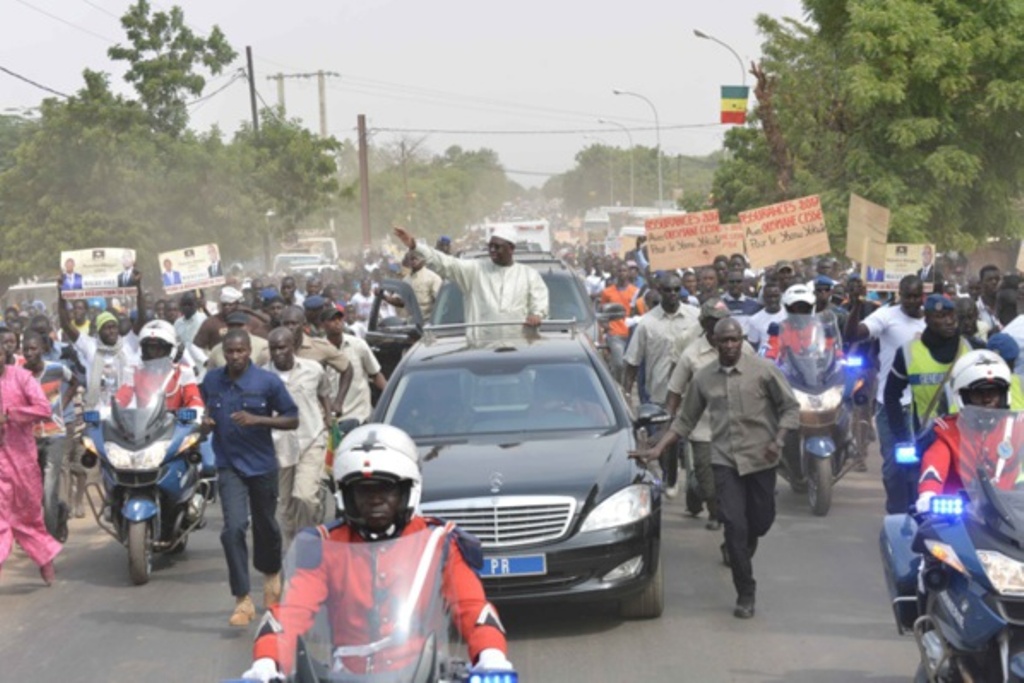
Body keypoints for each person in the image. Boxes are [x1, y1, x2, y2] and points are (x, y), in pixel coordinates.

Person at [240, 424, 511, 682]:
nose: (375, 499)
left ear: (408, 491)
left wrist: (491, 655)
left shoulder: (438, 542)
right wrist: (265, 662)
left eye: (387, 488)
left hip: (425, 673)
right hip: (344, 676)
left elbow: (472, 608)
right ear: (347, 496)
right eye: (363, 490)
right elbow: (292, 612)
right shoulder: (324, 545)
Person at [631, 318, 800, 619]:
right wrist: (658, 448)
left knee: (759, 523)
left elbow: (789, 407)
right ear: (714, 342)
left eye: (735, 340)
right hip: (725, 460)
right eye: (724, 341)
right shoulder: (704, 378)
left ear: (742, 340)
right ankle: (745, 592)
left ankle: (742, 549)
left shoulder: (763, 371)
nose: (730, 346)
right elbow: (685, 420)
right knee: (734, 525)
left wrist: (779, 438)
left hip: (762, 458)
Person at [200, 329, 299, 626]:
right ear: (223, 353)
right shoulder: (212, 381)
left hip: (262, 465)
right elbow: (204, 414)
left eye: (240, 351)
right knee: (233, 528)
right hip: (229, 465)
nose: (235, 357)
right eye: (230, 352)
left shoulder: (267, 382)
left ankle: (271, 576)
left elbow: (292, 417)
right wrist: (204, 425)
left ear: (249, 352)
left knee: (266, 525)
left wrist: (259, 419)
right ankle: (242, 599)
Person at [882, 294, 971, 514]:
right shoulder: (909, 352)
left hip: (964, 437)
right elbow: (891, 394)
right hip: (925, 437)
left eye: (951, 315)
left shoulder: (971, 349)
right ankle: (898, 519)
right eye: (941, 316)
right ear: (928, 319)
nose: (949, 321)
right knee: (896, 475)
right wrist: (901, 437)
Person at [665, 298, 745, 530]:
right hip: (703, 428)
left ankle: (724, 518)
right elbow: (675, 390)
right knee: (708, 484)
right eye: (715, 321)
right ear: (704, 323)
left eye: (725, 319)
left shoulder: (743, 348)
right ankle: (701, 493)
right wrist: (669, 422)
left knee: (737, 483)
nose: (722, 325)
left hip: (738, 426)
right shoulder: (691, 353)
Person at [847, 275, 925, 504]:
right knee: (893, 466)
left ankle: (917, 508)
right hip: (889, 404)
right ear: (899, 294)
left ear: (922, 296)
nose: (911, 301)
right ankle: (896, 511)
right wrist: (857, 306)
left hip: (921, 406)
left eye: (916, 296)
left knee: (919, 463)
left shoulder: (932, 319)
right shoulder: (886, 316)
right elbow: (854, 334)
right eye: (907, 296)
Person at [622, 273, 700, 497]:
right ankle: (671, 477)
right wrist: (626, 393)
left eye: (677, 290)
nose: (673, 294)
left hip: (693, 390)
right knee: (668, 440)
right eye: (668, 290)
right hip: (661, 393)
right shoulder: (647, 323)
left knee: (697, 439)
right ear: (659, 291)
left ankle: (696, 486)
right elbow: (632, 362)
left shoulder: (696, 317)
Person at [394, 226, 549, 337]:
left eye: (498, 247)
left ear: (511, 248)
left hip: (520, 352)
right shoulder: (475, 271)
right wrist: (414, 246)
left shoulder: (528, 275)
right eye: (490, 246)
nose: (492, 250)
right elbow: (445, 262)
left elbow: (540, 301)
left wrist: (536, 315)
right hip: (479, 353)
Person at [916, 350, 1019, 509]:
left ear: (1004, 395)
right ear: (963, 397)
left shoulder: (1018, 427)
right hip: (966, 516)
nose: (987, 400)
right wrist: (928, 495)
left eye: (993, 392)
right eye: (979, 393)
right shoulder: (947, 431)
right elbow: (934, 466)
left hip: (1014, 515)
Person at [263, 328, 331, 545]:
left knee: (305, 496)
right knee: (286, 506)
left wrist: (329, 416)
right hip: (280, 446)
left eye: (282, 347)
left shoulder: (313, 369)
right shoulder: (263, 376)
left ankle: (309, 539)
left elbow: (323, 392)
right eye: (273, 348)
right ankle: (294, 550)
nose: (278, 352)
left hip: (311, 439)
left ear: (292, 346)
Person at [0, 352, 62, 585]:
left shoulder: (22, 378)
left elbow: (44, 409)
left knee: (29, 518)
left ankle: (45, 563)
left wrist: (11, 415)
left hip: (22, 460)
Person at [20, 332, 78, 538]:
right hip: (30, 438)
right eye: (26, 349)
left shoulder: (56, 369)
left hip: (55, 434)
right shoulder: (20, 374)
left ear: (43, 349)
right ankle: (60, 511)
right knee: (35, 490)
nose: (29, 353)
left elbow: (75, 382)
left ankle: (49, 539)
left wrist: (62, 404)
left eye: (33, 349)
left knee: (49, 486)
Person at [57, 280, 140, 411]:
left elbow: (141, 320)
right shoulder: (90, 346)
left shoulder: (127, 344)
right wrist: (61, 293)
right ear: (99, 331)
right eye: (107, 328)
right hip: (98, 414)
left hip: (126, 412)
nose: (112, 331)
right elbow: (66, 325)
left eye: (114, 327)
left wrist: (138, 286)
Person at [115, 320, 204, 412]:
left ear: (169, 350)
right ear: (144, 349)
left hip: (173, 424)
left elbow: (193, 398)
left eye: (160, 348)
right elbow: (123, 395)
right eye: (151, 348)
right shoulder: (134, 372)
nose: (155, 352)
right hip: (142, 424)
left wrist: (196, 410)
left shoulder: (183, 372)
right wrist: (112, 409)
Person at [279, 306, 353, 416]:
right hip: (283, 415)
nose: (290, 327)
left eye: (294, 324)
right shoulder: (272, 350)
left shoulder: (319, 347)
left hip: (315, 415)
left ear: (304, 325)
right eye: (286, 324)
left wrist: (338, 402)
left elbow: (347, 368)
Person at [321, 306, 387, 424]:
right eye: (332, 319)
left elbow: (376, 374)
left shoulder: (358, 345)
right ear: (323, 325)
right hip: (332, 420)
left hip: (361, 417)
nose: (337, 322)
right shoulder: (318, 349)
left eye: (339, 319)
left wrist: (392, 397)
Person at [600, 263, 640, 382]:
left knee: (629, 365)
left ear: (628, 273)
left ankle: (625, 388)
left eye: (624, 271)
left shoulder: (635, 291)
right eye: (619, 271)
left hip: (631, 334)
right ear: (616, 273)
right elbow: (602, 312)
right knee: (619, 364)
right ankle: (617, 386)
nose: (622, 273)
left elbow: (638, 311)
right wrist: (606, 328)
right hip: (615, 333)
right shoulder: (607, 292)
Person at [393, 251, 443, 320]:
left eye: (416, 258)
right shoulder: (406, 280)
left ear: (423, 259)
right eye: (411, 258)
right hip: (411, 323)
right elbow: (400, 301)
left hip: (428, 324)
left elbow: (441, 303)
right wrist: (384, 297)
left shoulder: (433, 278)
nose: (413, 260)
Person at [977, 265, 1002, 333]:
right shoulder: (976, 309)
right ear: (980, 283)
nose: (994, 282)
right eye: (989, 280)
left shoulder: (1007, 308)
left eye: (997, 279)